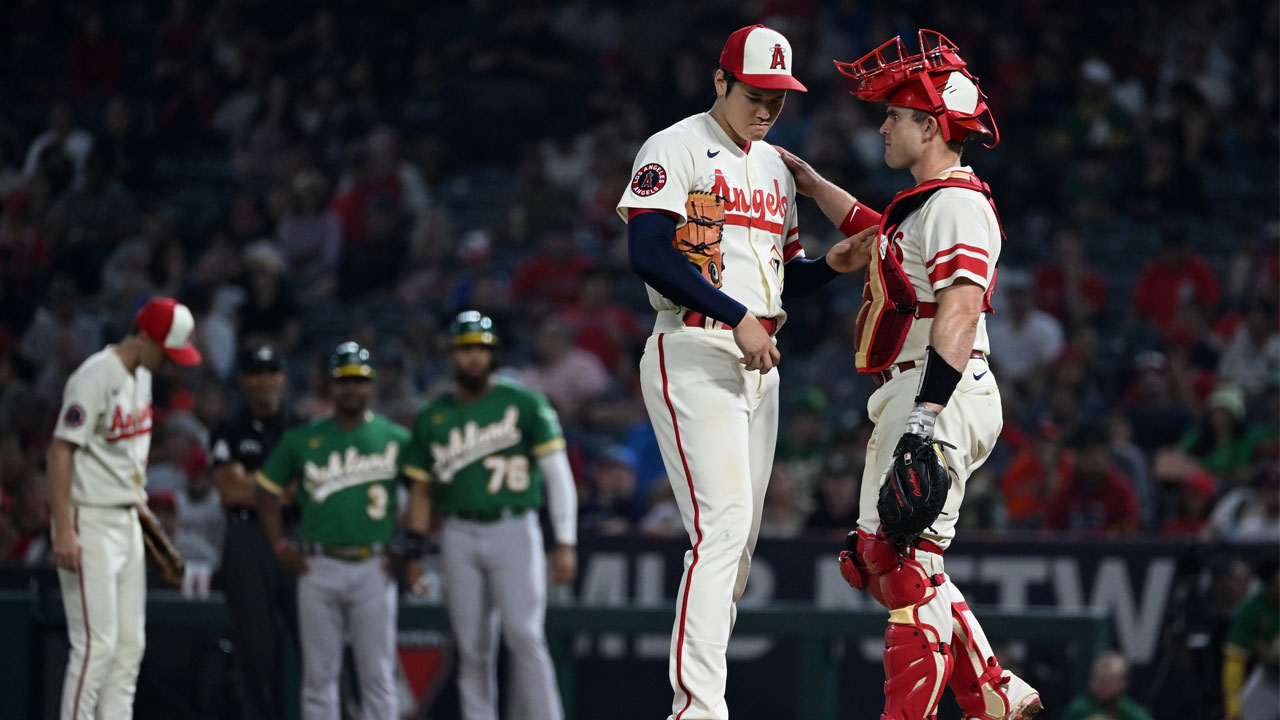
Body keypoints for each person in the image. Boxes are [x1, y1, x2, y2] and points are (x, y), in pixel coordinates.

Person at [782, 30, 1042, 719]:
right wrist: (811, 185)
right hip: (921, 387)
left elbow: (958, 312)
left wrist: (927, 415)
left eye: (895, 115)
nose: (884, 126)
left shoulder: (956, 204)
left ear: (929, 126)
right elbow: (877, 234)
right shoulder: (927, 206)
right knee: (878, 559)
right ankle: (991, 688)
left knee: (902, 568)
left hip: (937, 388)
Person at [616, 24, 872, 720]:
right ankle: (697, 709)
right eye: (755, 94)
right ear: (721, 81)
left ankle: (704, 695)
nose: (766, 109)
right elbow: (649, 251)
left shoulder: (774, 168)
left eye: (778, 98)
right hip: (694, 348)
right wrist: (735, 317)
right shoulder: (675, 145)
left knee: (740, 549)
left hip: (757, 358)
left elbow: (778, 281)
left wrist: (827, 270)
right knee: (722, 527)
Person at [401, 311, 578, 720]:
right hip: (458, 531)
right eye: (466, 350)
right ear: (452, 356)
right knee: (472, 647)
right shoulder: (433, 416)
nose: (474, 358)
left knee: (524, 636)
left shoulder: (524, 401)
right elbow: (422, 491)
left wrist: (566, 541)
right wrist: (413, 550)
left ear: (493, 353)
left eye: (480, 349)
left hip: (514, 526)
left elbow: (557, 473)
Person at [46, 297, 201, 719]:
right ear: (147, 336)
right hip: (89, 517)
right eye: (167, 353)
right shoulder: (95, 375)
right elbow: (60, 451)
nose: (170, 364)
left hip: (127, 517)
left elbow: (125, 458)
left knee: (129, 646)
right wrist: (63, 529)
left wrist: (142, 508)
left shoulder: (143, 376)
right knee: (96, 646)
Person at [254, 342, 426, 720]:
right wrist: (280, 545)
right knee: (319, 678)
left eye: (359, 381)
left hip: (373, 564)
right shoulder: (303, 437)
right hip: (318, 564)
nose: (352, 389)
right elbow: (264, 493)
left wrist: (410, 545)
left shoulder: (394, 437)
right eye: (344, 380)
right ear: (330, 385)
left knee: (377, 676)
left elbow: (422, 488)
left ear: (372, 385)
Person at [209, 343, 299, 720]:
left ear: (283, 377)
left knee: (317, 644)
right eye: (256, 373)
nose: (264, 382)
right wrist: (281, 488)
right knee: (253, 651)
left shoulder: (302, 430)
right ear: (243, 380)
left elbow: (307, 488)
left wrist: (256, 486)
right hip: (247, 541)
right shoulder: (228, 429)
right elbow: (232, 492)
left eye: (271, 372)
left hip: (296, 536)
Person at [1223, 555, 1280, 720]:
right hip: (1271, 679)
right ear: (1267, 586)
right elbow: (1235, 659)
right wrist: (1233, 705)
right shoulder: (1252, 609)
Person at [1062, 651, 1154, 720]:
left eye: (1107, 681)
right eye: (1096, 678)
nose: (1099, 685)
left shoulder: (1134, 714)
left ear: (1122, 684)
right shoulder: (1078, 710)